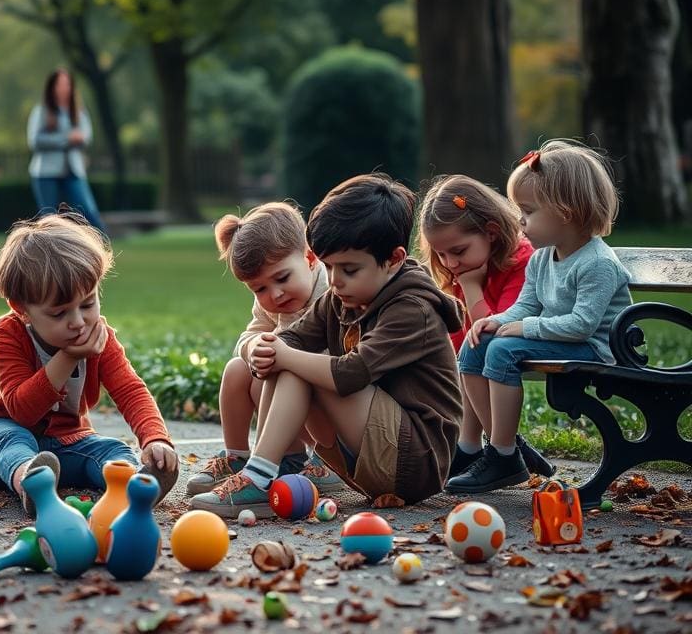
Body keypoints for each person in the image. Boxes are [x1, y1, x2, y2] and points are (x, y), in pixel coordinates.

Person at [190, 174, 463, 518]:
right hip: (365, 456)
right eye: (330, 267)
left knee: (302, 364)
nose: (335, 281)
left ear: (393, 259)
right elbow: (292, 338)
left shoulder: (412, 308)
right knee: (289, 358)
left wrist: (285, 353)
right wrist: (263, 349)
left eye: (349, 269)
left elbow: (353, 372)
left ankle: (259, 478)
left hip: (414, 460)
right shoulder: (342, 296)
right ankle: (265, 469)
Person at [0, 212, 178, 515]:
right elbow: (22, 410)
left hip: (63, 442)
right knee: (14, 438)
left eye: (87, 304)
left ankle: (136, 487)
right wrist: (69, 356)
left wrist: (154, 437)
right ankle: (30, 484)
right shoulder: (7, 334)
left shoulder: (101, 337)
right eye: (59, 314)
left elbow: (130, 389)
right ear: (22, 310)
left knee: (109, 449)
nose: (77, 322)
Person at [447, 140, 632, 494]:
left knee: (503, 352)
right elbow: (526, 307)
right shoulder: (542, 258)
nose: (520, 220)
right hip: (563, 338)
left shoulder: (598, 264)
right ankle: (496, 450)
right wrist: (498, 320)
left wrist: (522, 328)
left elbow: (582, 325)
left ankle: (503, 453)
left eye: (528, 211)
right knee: (476, 345)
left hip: (597, 348)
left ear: (566, 212)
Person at [186, 203, 342, 496]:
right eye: (259, 289)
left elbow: (341, 363)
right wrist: (253, 346)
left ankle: (327, 462)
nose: (275, 294)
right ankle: (247, 456)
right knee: (238, 368)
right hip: (288, 407)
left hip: (330, 414)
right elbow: (251, 333)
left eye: (282, 278)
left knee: (284, 372)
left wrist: (285, 357)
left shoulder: (333, 293)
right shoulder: (270, 302)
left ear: (309, 258)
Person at [418, 175, 554, 480]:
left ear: (491, 233)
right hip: (490, 353)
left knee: (479, 345)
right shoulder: (467, 267)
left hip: (534, 338)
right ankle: (474, 447)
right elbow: (458, 337)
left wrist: (471, 289)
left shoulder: (522, 261)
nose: (450, 263)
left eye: (458, 250)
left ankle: (501, 453)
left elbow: (495, 328)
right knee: (467, 354)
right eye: (441, 254)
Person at [27, 68, 106, 233]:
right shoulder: (42, 111)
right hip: (46, 173)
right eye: (60, 84)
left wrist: (78, 138)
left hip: (73, 170)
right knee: (49, 220)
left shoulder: (78, 112)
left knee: (89, 213)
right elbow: (34, 140)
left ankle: (102, 251)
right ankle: (49, 256)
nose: (64, 88)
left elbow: (86, 136)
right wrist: (66, 139)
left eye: (67, 84)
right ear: (52, 88)